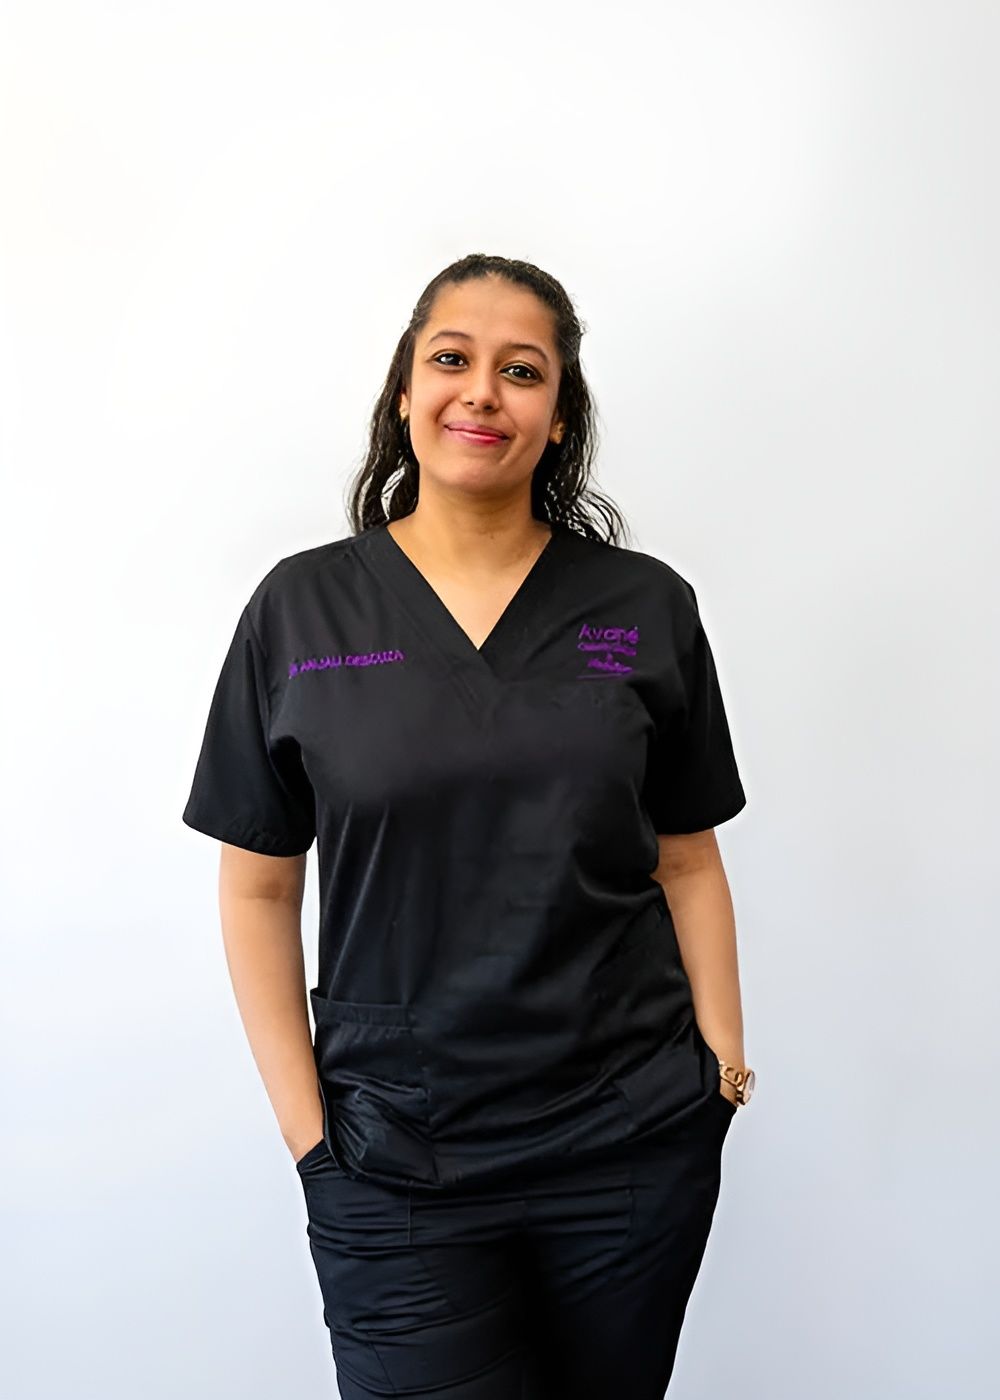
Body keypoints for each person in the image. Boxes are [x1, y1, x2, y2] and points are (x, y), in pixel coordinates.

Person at [182, 252, 755, 1399]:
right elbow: (257, 886)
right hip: (396, 1154)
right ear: (405, 391)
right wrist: (312, 1141)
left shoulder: (644, 607)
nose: (481, 391)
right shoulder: (300, 607)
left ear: (558, 416)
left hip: (628, 1144)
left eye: (522, 370)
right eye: (451, 359)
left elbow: (687, 856)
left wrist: (721, 1070)